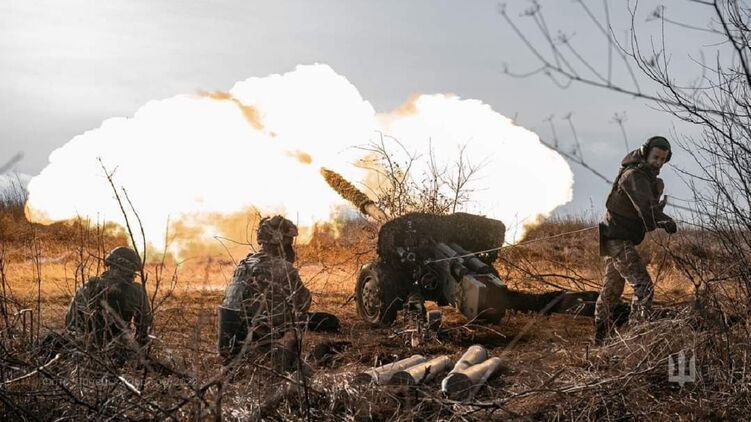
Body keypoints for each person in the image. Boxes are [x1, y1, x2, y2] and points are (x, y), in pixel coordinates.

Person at [218, 215, 339, 369]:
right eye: (288, 242)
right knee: (325, 322)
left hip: (228, 346)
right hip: (259, 347)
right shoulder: (283, 267)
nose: (291, 247)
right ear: (280, 242)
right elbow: (303, 303)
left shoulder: (244, 264)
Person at [594, 136, 678, 345]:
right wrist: (664, 220)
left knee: (612, 288)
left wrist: (658, 212)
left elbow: (647, 209)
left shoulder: (648, 178)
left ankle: (600, 338)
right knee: (644, 287)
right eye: (655, 157)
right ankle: (636, 339)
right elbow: (646, 209)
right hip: (616, 237)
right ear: (645, 153)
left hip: (617, 235)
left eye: (662, 159)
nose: (658, 162)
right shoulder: (634, 175)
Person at [65, 246, 152, 355]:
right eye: (133, 272)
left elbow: (70, 321)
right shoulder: (136, 290)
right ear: (126, 269)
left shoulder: (88, 286)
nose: (134, 276)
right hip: (118, 352)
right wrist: (139, 354)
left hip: (84, 350)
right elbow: (145, 326)